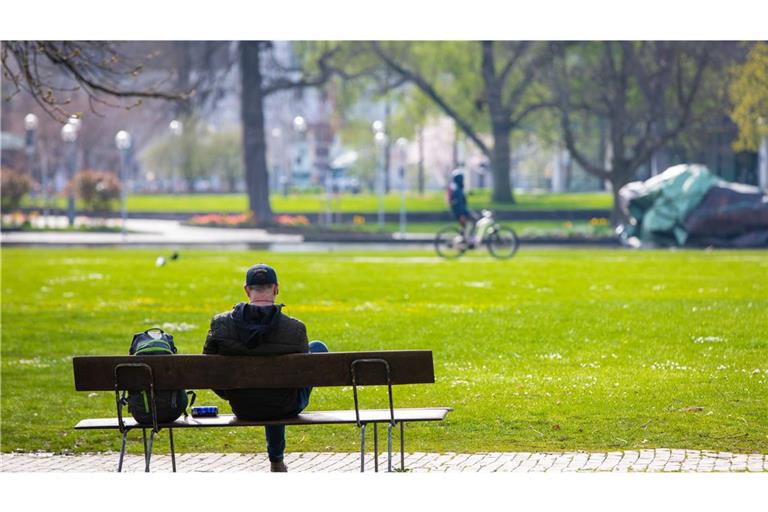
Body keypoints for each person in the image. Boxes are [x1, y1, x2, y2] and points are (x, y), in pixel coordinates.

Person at [203, 263, 328, 472]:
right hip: (286, 405)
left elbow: (206, 371)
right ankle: (276, 460)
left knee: (271, 388)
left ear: (246, 290)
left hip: (243, 406)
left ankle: (276, 459)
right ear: (276, 289)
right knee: (317, 350)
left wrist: (231, 393)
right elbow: (300, 376)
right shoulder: (295, 329)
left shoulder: (221, 325)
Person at [447, 168, 476, 246]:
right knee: (474, 220)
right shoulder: (457, 190)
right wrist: (461, 215)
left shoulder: (456, 188)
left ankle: (464, 238)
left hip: (460, 211)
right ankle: (470, 239)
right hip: (460, 212)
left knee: (465, 226)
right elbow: (459, 204)